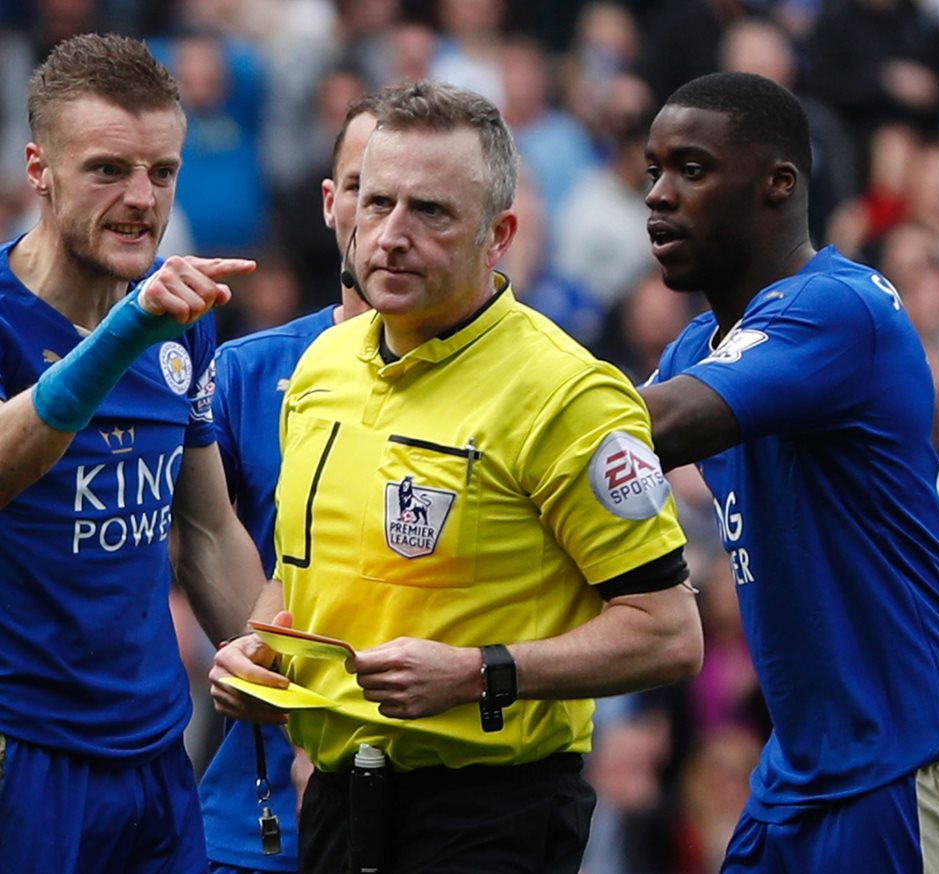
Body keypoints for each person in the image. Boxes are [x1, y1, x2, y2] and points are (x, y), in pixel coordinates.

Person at [212, 79, 703, 874]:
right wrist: (257, 652)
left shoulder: (567, 394)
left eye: (430, 211)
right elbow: (296, 583)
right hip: (334, 800)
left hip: (490, 813)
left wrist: (483, 674)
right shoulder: (320, 369)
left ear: (498, 234)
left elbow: (669, 634)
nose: (391, 235)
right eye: (377, 204)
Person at [0, 33, 265, 874]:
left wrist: (302, 697)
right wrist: (127, 331)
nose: (142, 200)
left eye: (162, 173)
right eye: (108, 170)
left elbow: (204, 534)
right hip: (8, 753)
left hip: (154, 755)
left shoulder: (180, 319)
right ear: (38, 169)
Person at [640, 71, 939, 873]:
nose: (657, 195)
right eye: (651, 170)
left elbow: (643, 429)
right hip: (799, 775)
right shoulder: (695, 352)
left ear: (777, 184)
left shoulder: (841, 307)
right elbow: (596, 464)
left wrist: (484, 370)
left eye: (690, 169)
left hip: (907, 765)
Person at [198, 93, 379, 874]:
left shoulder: (525, 382)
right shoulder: (245, 370)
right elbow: (200, 536)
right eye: (367, 187)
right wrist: (296, 713)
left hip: (441, 789)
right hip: (262, 789)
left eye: (418, 194)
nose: (388, 215)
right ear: (332, 203)